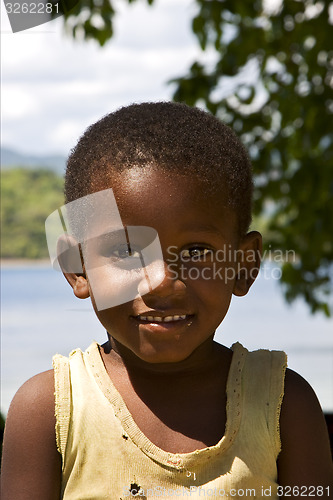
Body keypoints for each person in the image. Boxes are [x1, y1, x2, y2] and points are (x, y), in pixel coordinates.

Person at [1, 102, 332, 499]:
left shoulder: (282, 406)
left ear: (244, 265)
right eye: (126, 252)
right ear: (78, 267)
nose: (160, 284)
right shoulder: (51, 411)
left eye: (195, 251)